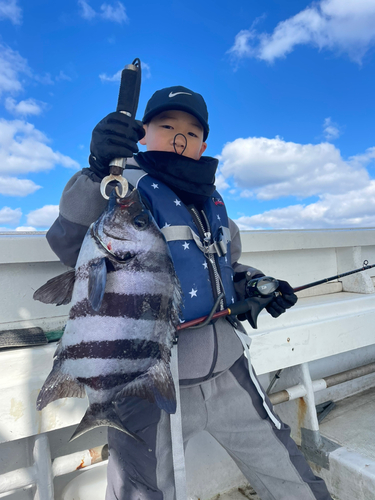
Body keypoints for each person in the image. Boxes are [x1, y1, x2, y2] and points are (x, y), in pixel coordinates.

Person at [47, 86, 332, 500]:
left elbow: (224, 267)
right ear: (142, 133)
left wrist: (258, 284)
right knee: (140, 490)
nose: (180, 138)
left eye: (193, 132)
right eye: (167, 126)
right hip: (146, 381)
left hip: (229, 368)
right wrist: (95, 171)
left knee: (286, 467)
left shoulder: (212, 200)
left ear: (203, 143)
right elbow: (70, 243)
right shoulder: (120, 187)